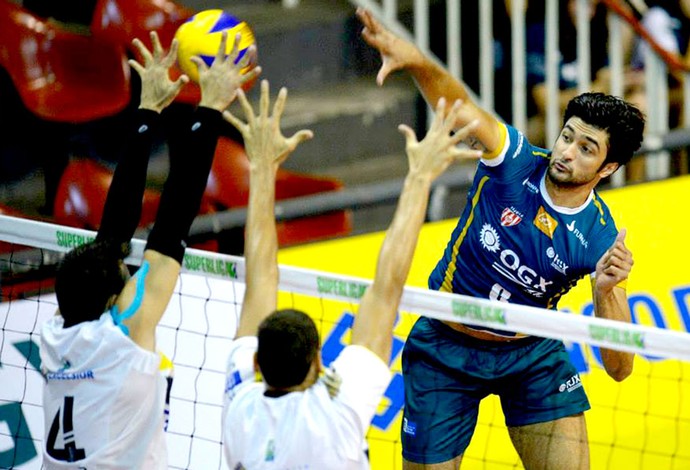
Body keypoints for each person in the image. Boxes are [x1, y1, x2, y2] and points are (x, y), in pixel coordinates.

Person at [357, 7, 644, 469]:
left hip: (530, 353)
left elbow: (620, 368)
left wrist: (606, 292)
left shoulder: (599, 239)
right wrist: (417, 62)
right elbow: (458, 106)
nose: (566, 151)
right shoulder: (511, 160)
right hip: (445, 345)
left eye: (586, 148)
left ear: (608, 168)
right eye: (567, 136)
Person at [219, 79, 482, 468]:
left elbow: (261, 277)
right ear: (319, 364)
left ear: (256, 363)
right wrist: (420, 178)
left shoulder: (238, 401)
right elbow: (386, 290)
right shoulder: (338, 410)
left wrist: (260, 168)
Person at [39, 31, 260, 469]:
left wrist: (148, 111)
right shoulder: (124, 335)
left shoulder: (57, 335)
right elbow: (171, 225)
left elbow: (111, 240)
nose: (129, 276)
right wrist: (211, 108)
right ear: (110, 302)